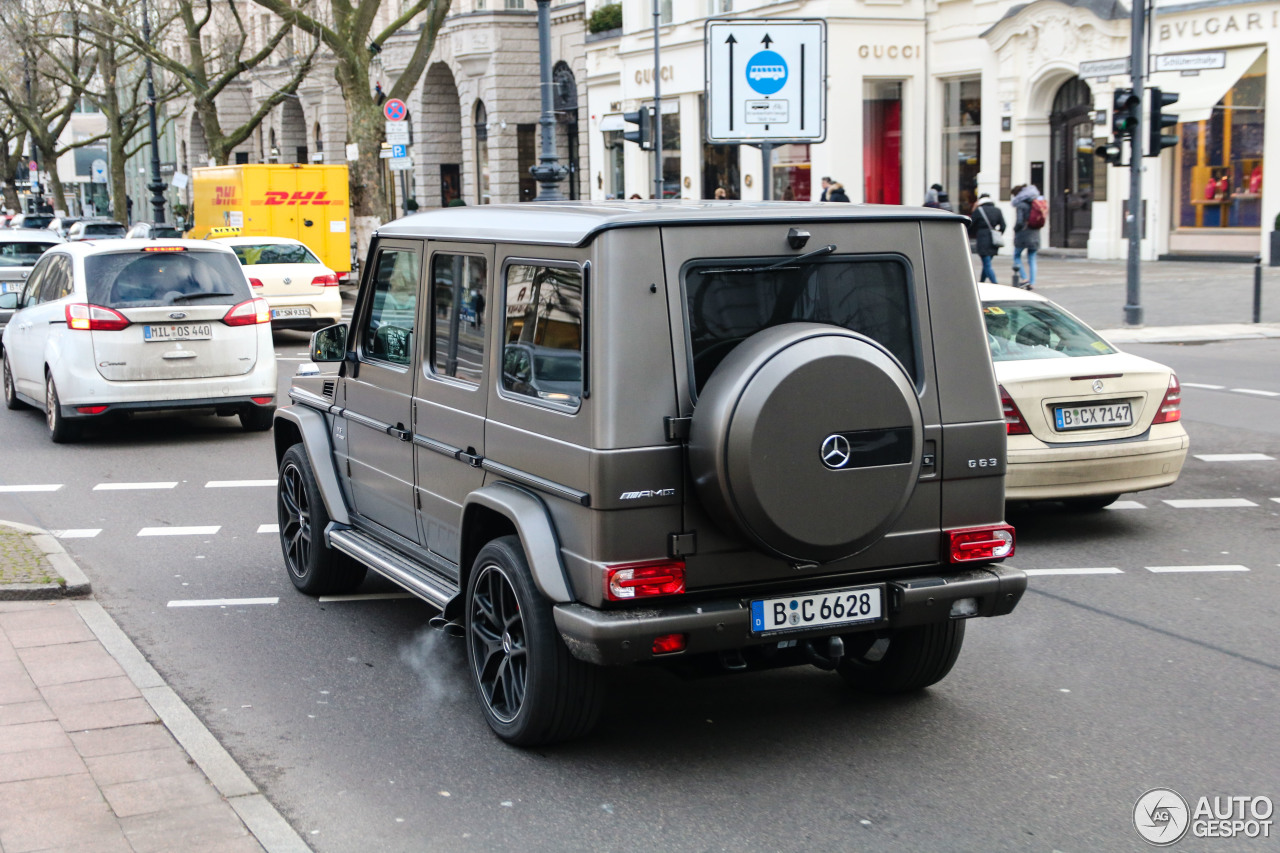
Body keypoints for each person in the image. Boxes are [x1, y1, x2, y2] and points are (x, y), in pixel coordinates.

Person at [1011, 183, 1042, 289]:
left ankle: (1024, 278)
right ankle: (1032, 282)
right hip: (1035, 233)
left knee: (1016, 256)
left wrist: (1015, 229)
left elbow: (1019, 221)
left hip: (1023, 234)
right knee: (1032, 258)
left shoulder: (1020, 204)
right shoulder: (1035, 201)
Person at [970, 193, 1006, 284]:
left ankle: (995, 284)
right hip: (994, 240)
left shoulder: (979, 210)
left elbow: (970, 225)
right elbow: (1003, 225)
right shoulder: (997, 210)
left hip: (982, 238)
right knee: (987, 263)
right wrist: (997, 233)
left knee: (987, 264)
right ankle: (981, 282)